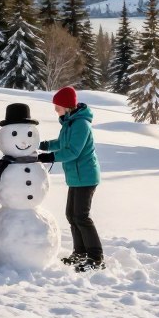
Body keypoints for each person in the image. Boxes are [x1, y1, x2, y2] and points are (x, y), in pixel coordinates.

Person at [38, 86, 104, 271]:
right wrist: (42, 145)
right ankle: (80, 253)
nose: (55, 109)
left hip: (86, 176)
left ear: (67, 105)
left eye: (57, 105)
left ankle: (96, 257)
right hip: (76, 177)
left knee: (81, 217)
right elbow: (61, 143)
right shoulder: (69, 123)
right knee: (71, 215)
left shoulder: (81, 124)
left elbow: (73, 151)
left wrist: (49, 157)